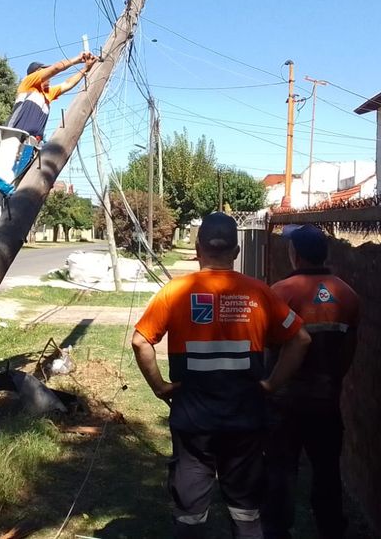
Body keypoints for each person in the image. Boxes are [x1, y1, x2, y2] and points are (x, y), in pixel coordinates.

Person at [131, 212, 312, 539]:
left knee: (190, 515)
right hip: (245, 419)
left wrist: (160, 387)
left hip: (192, 422)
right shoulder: (259, 292)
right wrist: (271, 384)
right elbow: (301, 338)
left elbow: (141, 340)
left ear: (198, 249)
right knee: (246, 511)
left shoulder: (175, 291)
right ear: (237, 250)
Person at [261, 225, 360, 539]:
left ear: (296, 255)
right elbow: (348, 352)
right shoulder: (348, 294)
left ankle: (278, 531)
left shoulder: (280, 293)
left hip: (284, 402)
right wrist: (332, 383)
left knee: (281, 471)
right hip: (326, 400)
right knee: (327, 472)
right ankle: (331, 529)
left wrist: (269, 385)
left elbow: (268, 346)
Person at [6, 51, 96, 139]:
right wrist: (77, 59)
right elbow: (56, 68)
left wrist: (85, 69)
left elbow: (68, 83)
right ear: (37, 73)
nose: (49, 76)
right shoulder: (28, 83)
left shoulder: (47, 93)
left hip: (32, 142)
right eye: (45, 71)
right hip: (13, 137)